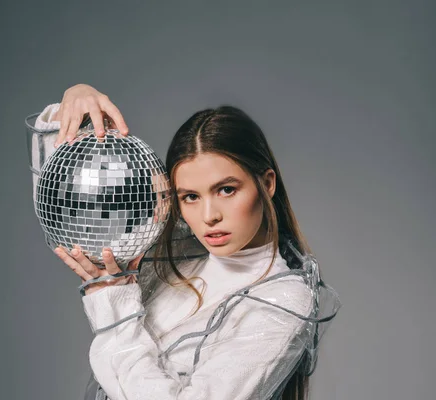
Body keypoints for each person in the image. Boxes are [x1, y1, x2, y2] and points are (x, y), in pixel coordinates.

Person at [32, 84, 340, 400]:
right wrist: (71, 110)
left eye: (226, 190)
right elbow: (64, 205)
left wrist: (114, 306)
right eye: (190, 197)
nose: (209, 216)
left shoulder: (283, 301)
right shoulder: (174, 254)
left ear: (267, 183)